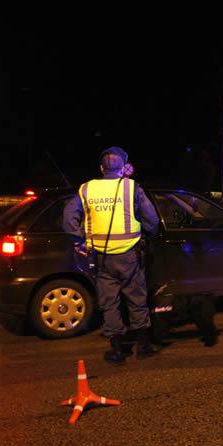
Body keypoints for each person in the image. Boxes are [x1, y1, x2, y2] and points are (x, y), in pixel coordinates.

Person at [63, 146, 160, 364]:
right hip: (130, 256)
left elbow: (69, 218)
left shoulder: (86, 189)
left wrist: (79, 240)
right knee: (137, 300)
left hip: (101, 257)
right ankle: (143, 347)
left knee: (110, 303)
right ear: (124, 168)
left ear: (101, 168)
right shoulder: (132, 188)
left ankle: (117, 350)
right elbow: (152, 221)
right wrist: (145, 232)